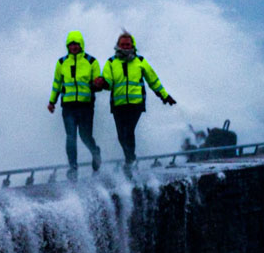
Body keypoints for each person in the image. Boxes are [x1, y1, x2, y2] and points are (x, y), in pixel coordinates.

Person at [95, 32, 176, 174]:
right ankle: (130, 158)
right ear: (118, 46)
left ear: (133, 45)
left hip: (136, 104)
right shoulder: (111, 62)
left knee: (128, 131)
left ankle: (130, 161)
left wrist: (164, 96)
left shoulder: (140, 61)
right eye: (123, 44)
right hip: (118, 105)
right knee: (121, 135)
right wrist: (101, 83)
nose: (126, 47)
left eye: (128, 44)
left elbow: (153, 80)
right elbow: (108, 82)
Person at [47, 30, 102, 180]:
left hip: (86, 106)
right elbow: (57, 84)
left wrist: (98, 84)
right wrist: (52, 101)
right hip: (68, 107)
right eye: (71, 44)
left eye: (76, 44)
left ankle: (95, 152)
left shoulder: (91, 62)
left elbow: (98, 82)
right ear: (67, 46)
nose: (74, 47)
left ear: (81, 45)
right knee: (71, 137)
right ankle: (73, 167)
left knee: (85, 136)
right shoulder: (62, 62)